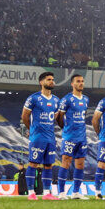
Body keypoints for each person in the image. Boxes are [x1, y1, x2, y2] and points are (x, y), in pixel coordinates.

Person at [21, 71, 61, 200]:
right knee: (33, 163)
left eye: (52, 79)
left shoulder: (56, 100)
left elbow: (55, 117)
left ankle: (46, 193)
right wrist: (31, 130)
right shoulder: (33, 98)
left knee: (48, 165)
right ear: (41, 82)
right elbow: (25, 116)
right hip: (37, 137)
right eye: (49, 79)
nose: (51, 81)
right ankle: (31, 193)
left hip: (50, 137)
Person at [57, 74, 89, 200]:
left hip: (82, 137)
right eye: (78, 81)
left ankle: (76, 192)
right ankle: (61, 193)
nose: (81, 83)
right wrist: (65, 128)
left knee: (80, 164)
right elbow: (59, 116)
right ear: (72, 84)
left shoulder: (86, 99)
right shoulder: (67, 99)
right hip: (69, 136)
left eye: (82, 81)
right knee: (66, 162)